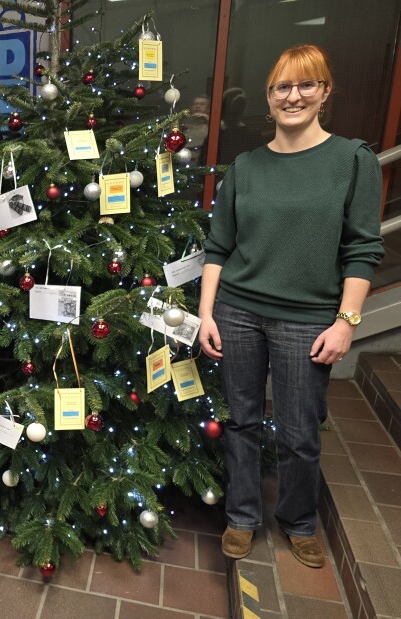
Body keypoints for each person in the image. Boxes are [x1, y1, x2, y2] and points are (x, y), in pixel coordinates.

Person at [199, 44, 384, 569]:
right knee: (242, 421)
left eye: (306, 85)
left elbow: (363, 249)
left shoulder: (352, 160)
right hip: (236, 311)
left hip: (307, 319)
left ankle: (299, 522)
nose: (294, 96)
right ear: (269, 97)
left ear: (325, 91)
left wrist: (347, 321)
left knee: (301, 431)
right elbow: (219, 247)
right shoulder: (246, 167)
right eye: (283, 86)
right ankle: (241, 517)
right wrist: (208, 314)